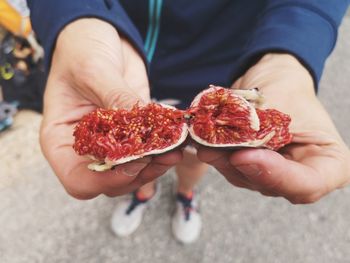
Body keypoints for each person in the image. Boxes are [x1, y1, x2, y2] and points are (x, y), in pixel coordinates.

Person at [27, 0, 350, 244]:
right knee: (142, 162)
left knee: (198, 155)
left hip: (220, 67)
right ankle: (142, 193)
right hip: (111, 58)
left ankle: (186, 194)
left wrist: (289, 54)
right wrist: (73, 18)